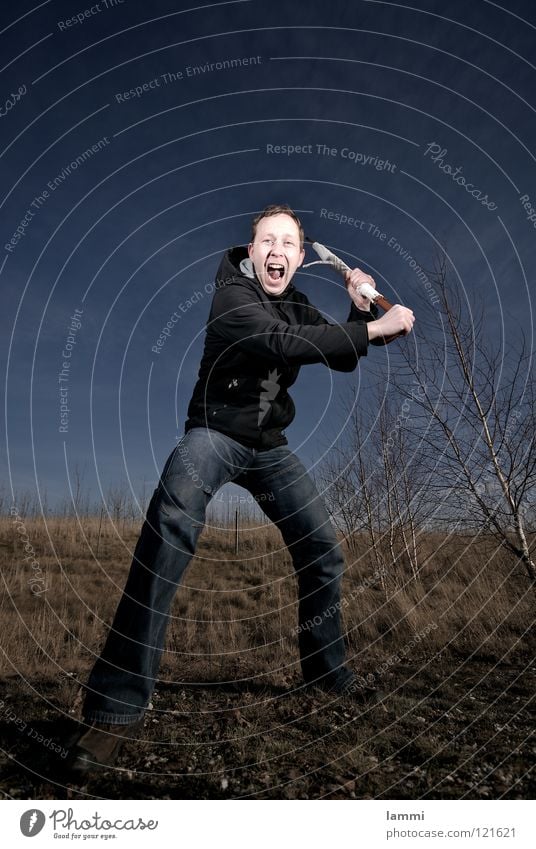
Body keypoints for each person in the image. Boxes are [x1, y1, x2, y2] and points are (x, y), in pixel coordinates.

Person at [64, 204, 415, 778]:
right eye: (266, 241)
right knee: (170, 525)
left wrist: (361, 308)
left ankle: (327, 678)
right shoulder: (231, 295)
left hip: (269, 447)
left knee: (323, 549)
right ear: (251, 251)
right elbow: (282, 343)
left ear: (301, 258)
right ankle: (113, 710)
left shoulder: (300, 303)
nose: (276, 250)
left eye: (288, 244)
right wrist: (374, 325)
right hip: (213, 434)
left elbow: (338, 350)